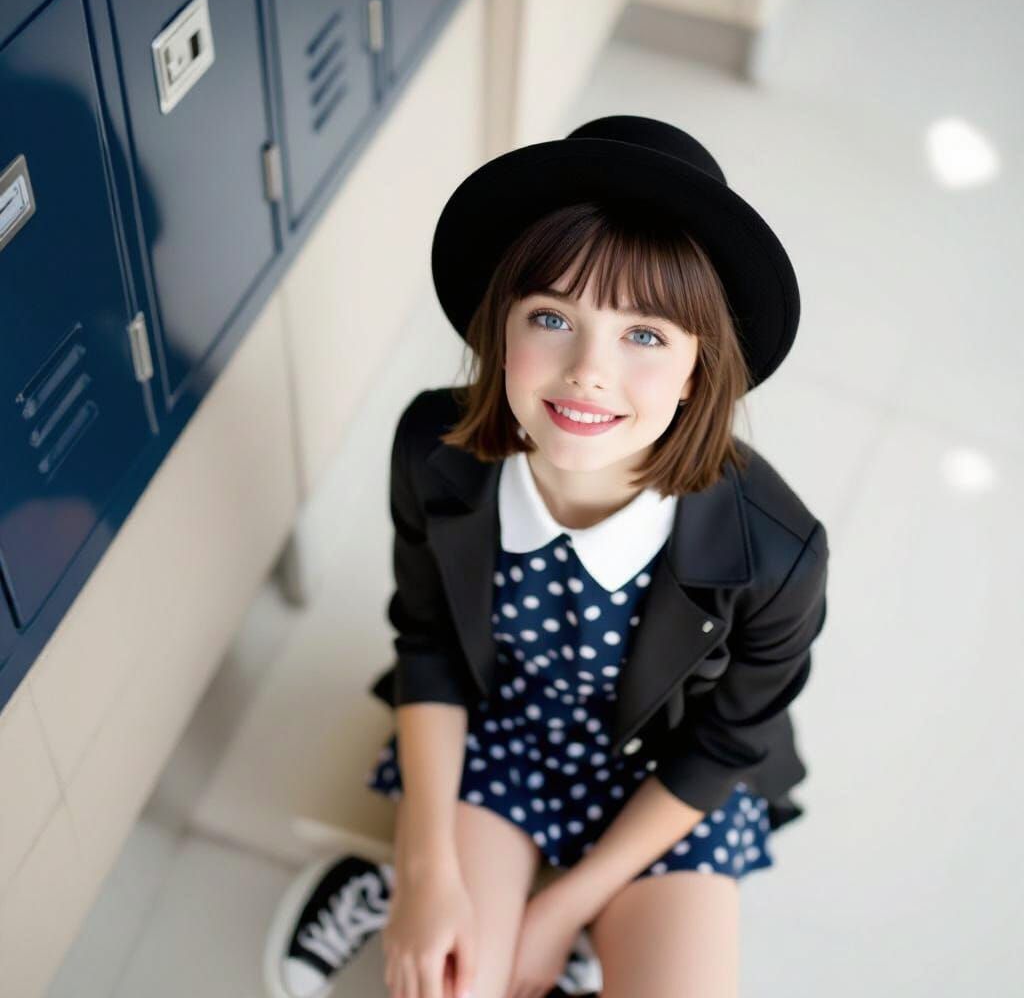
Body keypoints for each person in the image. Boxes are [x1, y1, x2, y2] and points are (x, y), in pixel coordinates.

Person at [264, 115, 830, 998]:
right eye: (552, 317)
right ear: (500, 327)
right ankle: (374, 883)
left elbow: (725, 744)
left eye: (645, 335)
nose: (587, 372)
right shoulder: (437, 451)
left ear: (696, 370)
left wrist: (562, 908)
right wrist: (424, 872)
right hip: (508, 733)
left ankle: (569, 930)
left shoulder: (775, 550)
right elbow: (428, 644)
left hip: (668, 776)